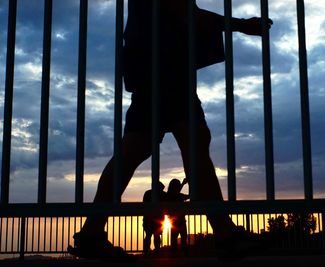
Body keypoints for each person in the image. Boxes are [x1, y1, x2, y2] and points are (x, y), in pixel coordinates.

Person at [68, 0, 273, 261]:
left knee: (135, 150)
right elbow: (188, 14)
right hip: (167, 71)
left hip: (153, 69)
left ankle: (91, 233)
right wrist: (242, 25)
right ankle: (225, 235)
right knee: (193, 144)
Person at [165, 178, 190, 256]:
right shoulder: (177, 196)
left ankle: (174, 254)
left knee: (174, 238)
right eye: (178, 184)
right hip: (181, 220)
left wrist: (182, 184)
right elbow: (187, 196)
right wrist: (185, 184)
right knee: (183, 237)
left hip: (172, 220)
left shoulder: (168, 195)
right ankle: (184, 253)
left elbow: (176, 194)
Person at [142, 181, 167, 256]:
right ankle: (157, 252)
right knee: (156, 236)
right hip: (158, 219)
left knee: (148, 236)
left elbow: (144, 204)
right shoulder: (163, 194)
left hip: (148, 218)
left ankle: (146, 252)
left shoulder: (147, 193)